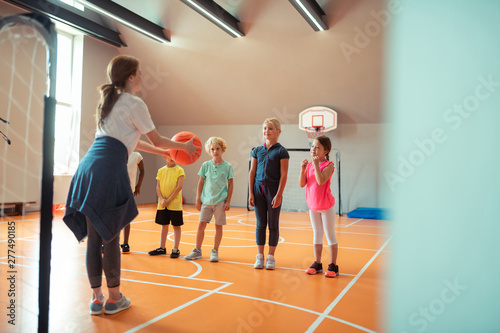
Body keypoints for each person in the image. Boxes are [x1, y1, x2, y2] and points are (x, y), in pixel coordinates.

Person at [63, 55, 199, 316]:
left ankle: (96, 299)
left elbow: (133, 142)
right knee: (111, 236)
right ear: (131, 76)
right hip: (107, 170)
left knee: (95, 238)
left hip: (88, 167)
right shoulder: (135, 103)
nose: (143, 77)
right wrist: (184, 146)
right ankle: (114, 299)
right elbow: (158, 139)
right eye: (140, 73)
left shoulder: (108, 103)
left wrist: (164, 152)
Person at [248, 118, 289, 270]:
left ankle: (271, 257)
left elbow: (284, 175)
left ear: (278, 131)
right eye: (265, 128)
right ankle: (260, 256)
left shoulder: (281, 151)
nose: (267, 131)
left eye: (270, 128)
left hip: (273, 190)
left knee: (273, 224)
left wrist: (279, 195)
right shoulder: (257, 150)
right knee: (260, 224)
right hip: (258, 190)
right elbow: (252, 172)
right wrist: (251, 192)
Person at [184, 137, 234, 262]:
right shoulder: (205, 165)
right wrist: (198, 198)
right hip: (206, 201)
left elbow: (231, 184)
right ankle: (197, 250)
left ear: (223, 150)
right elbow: (201, 182)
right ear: (209, 151)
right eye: (212, 149)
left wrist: (228, 201)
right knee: (201, 225)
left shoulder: (228, 166)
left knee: (218, 227)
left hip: (220, 201)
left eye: (217, 149)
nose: (215, 151)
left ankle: (215, 251)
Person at [298, 135, 339, 278]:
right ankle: (317, 263)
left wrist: (315, 165)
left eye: (317, 147)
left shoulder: (329, 165)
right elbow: (302, 184)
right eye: (312, 147)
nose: (313, 150)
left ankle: (333, 265)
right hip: (313, 206)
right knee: (317, 234)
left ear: (325, 151)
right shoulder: (309, 165)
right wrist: (303, 169)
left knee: (329, 234)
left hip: (326, 206)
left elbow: (321, 181)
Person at [148, 152, 185, 258]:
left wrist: (168, 200)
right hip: (163, 204)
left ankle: (175, 249)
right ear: (164, 156)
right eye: (170, 155)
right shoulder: (161, 170)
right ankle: (162, 248)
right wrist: (161, 199)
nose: (172, 157)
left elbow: (179, 187)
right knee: (164, 226)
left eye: (174, 155)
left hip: (175, 205)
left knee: (176, 226)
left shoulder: (180, 170)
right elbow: (158, 187)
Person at [121, 151, 145, 254]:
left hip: (128, 191)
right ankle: (106, 242)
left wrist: (138, 185)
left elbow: (142, 171)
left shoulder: (136, 155)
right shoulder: (116, 152)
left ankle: (125, 243)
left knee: (126, 219)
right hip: (114, 190)